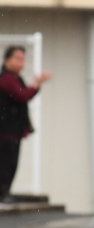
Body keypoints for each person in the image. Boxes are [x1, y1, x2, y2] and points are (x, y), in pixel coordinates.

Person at [0, 45, 51, 202]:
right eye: (17, 59)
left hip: (13, 131)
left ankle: (5, 192)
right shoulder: (6, 79)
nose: (21, 63)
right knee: (5, 163)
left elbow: (25, 95)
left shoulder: (17, 78)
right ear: (7, 60)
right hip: (5, 131)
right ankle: (3, 193)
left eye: (23, 59)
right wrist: (36, 83)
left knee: (12, 163)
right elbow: (22, 95)